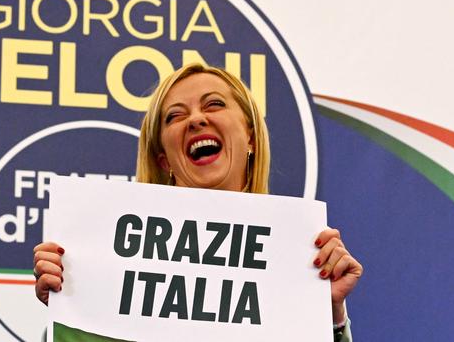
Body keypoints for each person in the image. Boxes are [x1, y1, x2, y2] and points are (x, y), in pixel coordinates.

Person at [33, 63, 363, 341]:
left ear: (249, 134)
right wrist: (68, 309)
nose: (195, 120)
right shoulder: (107, 256)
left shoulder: (295, 259)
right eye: (175, 116)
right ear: (164, 161)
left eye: (214, 105)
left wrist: (329, 316)